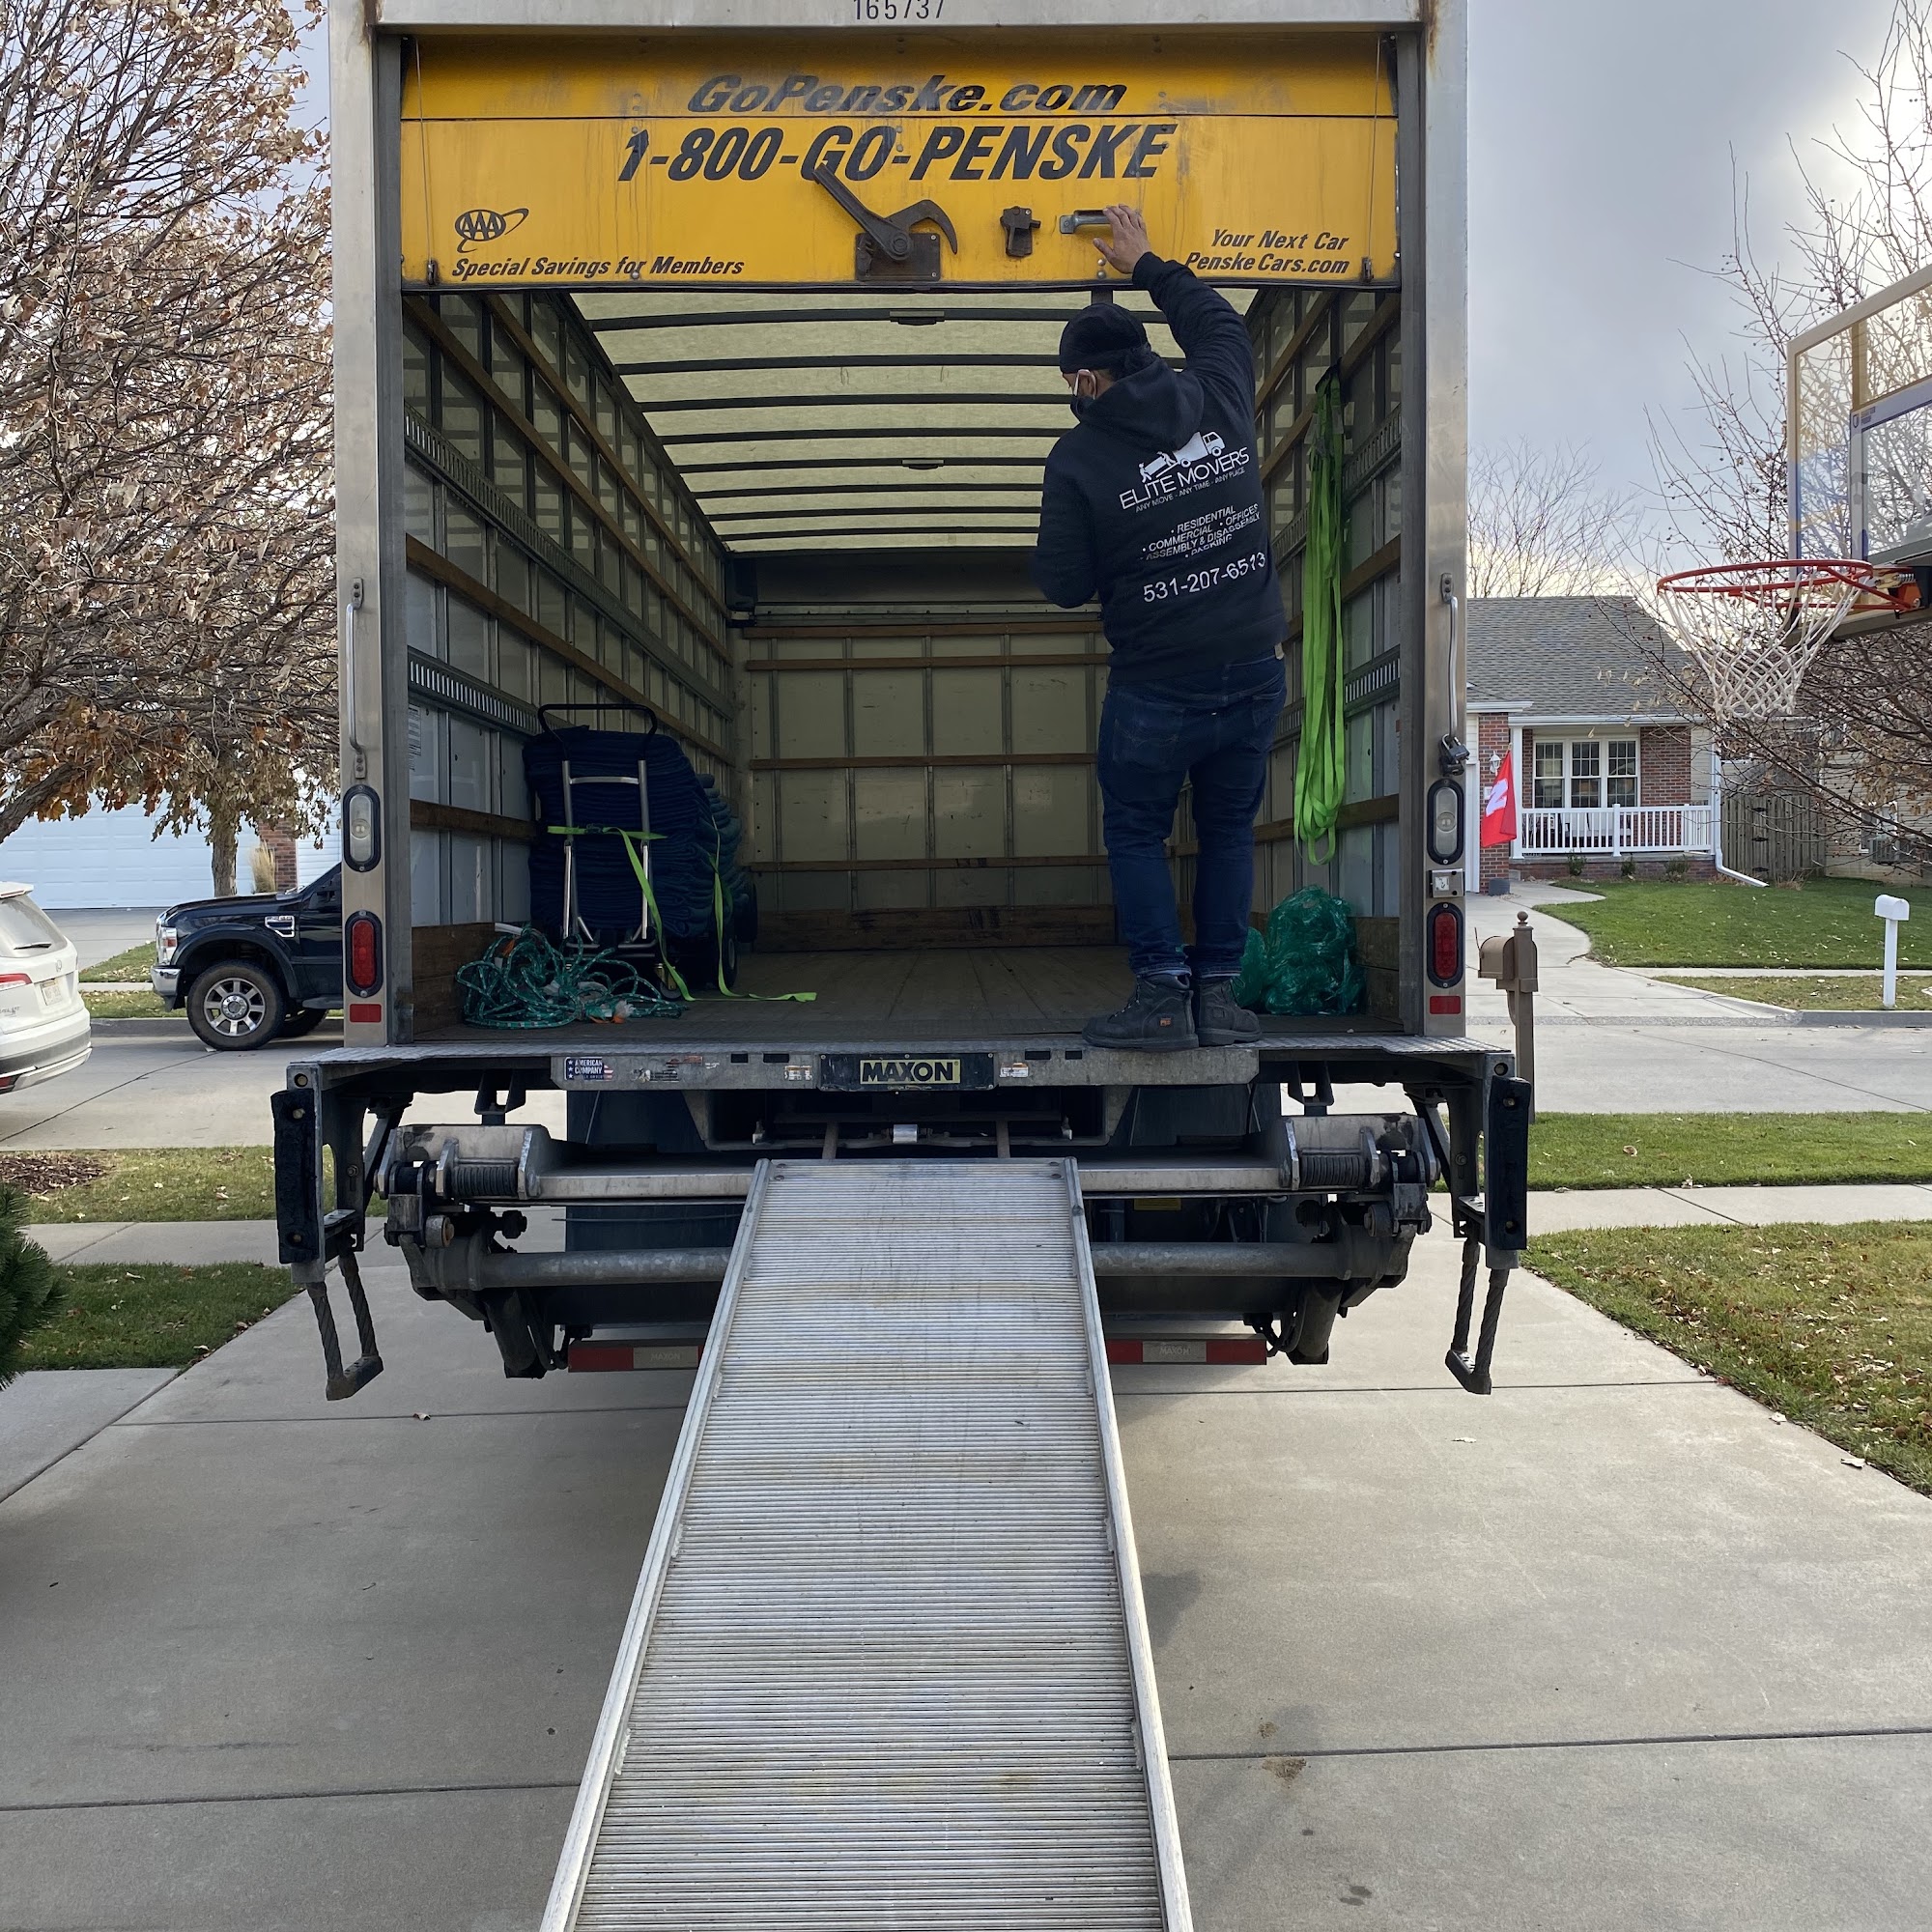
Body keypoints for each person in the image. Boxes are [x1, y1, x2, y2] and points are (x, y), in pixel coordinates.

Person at [1031, 205, 1286, 1051]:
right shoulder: (1217, 392)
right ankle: (1219, 997)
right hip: (1253, 668)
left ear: (1085, 381)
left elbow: (1064, 586)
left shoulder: (1077, 460)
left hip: (1158, 685)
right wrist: (1146, 263)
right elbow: (1217, 322)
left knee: (1137, 829)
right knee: (1226, 830)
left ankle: (1162, 998)